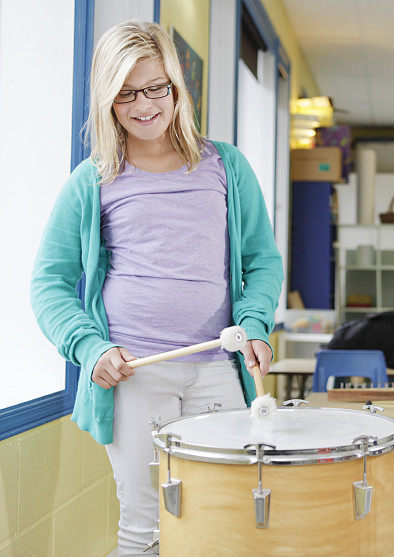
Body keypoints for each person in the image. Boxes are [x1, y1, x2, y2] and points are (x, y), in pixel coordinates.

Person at [30, 21, 283, 556]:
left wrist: (256, 323)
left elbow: (261, 262)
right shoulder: (93, 179)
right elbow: (48, 283)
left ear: (176, 87)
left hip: (218, 367)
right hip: (136, 376)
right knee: (144, 530)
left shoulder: (225, 166)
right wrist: (89, 346)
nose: (144, 105)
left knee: (222, 520)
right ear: (107, 99)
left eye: (155, 88)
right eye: (126, 93)